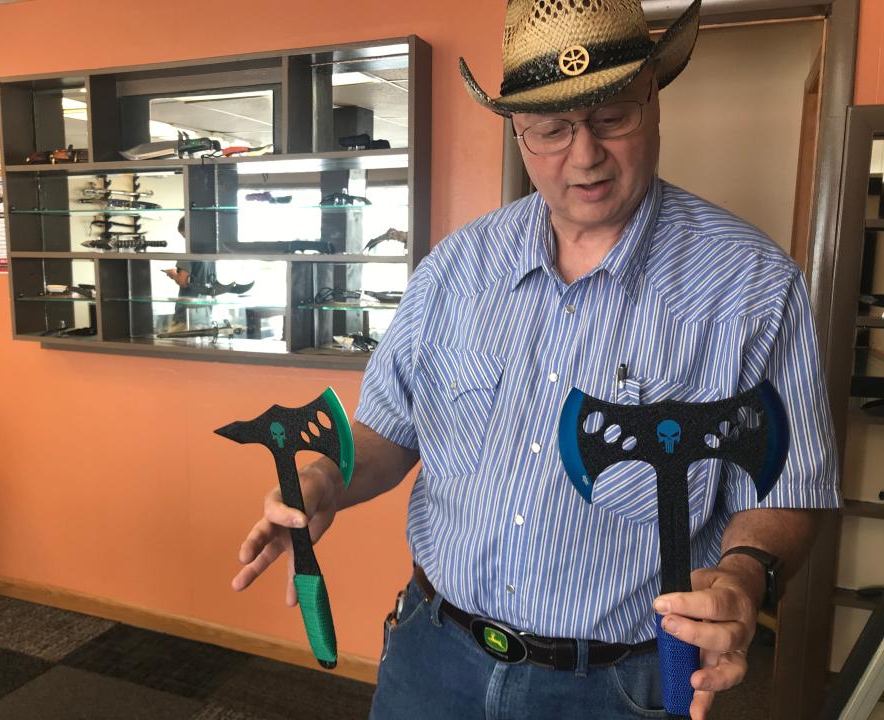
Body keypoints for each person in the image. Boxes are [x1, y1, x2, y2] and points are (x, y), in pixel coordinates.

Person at [231, 1, 840, 718]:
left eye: (611, 116)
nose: (583, 156)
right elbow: (391, 434)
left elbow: (790, 489)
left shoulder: (755, 286)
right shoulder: (453, 270)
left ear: (653, 102)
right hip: (434, 656)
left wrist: (744, 575)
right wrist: (326, 478)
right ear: (518, 133)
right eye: (551, 129)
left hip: (618, 685)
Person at [164, 216, 217, 330]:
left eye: (184, 236)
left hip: (185, 318)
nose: (185, 240)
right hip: (205, 316)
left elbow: (183, 281)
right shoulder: (211, 254)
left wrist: (173, 273)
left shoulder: (188, 254)